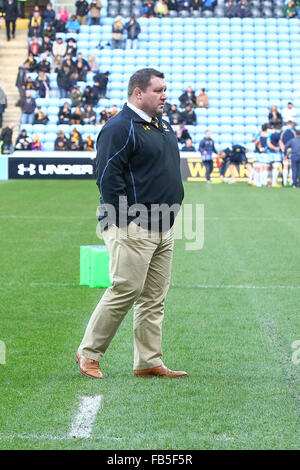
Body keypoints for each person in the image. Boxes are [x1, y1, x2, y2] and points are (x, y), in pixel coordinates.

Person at [75, 68, 187, 379]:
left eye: (165, 89)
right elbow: (107, 176)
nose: (165, 95)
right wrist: (126, 220)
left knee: (154, 296)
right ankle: (88, 354)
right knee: (125, 288)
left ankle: (148, 361)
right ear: (138, 93)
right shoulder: (120, 127)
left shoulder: (159, 125)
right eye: (158, 90)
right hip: (134, 225)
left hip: (165, 224)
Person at [279, 120, 296, 186]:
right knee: (290, 166)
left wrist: (283, 149)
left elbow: (280, 141)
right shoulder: (293, 132)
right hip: (291, 151)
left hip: (286, 151)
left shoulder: (283, 132)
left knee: (286, 166)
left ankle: (285, 181)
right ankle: (289, 181)